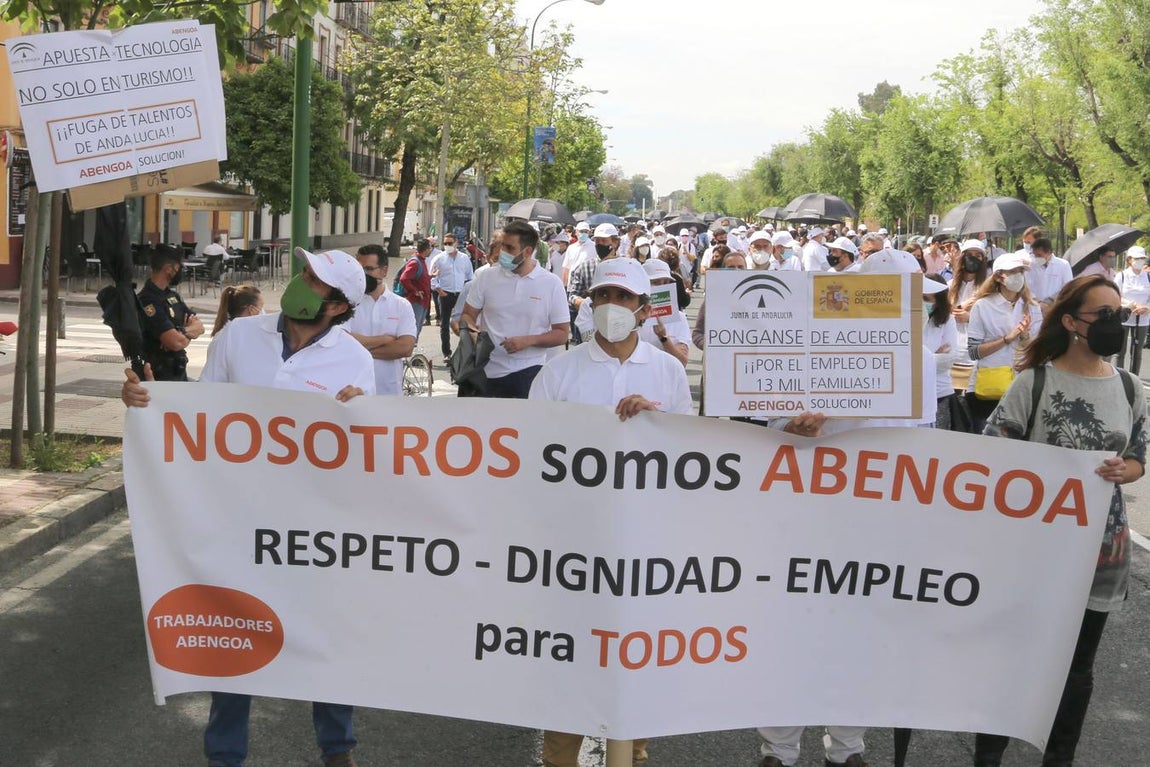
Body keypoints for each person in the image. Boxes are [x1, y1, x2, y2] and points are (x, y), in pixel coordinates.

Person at [122, 247, 373, 767]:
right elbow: (203, 415)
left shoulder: (355, 360)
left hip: (313, 529)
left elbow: (364, 456)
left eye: (317, 281)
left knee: (324, 636)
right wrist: (149, 404)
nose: (302, 283)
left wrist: (359, 416)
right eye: (305, 272)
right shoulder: (239, 337)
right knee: (236, 635)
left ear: (339, 306)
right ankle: (225, 754)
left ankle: (337, 747)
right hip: (239, 519)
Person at [974, 274, 1146, 767]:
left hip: (1100, 554)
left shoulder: (1131, 387)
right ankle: (989, 754)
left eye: (1121, 313)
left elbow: (1137, 458)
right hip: (1032, 553)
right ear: (1071, 322)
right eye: (1104, 315)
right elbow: (992, 450)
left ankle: (1059, 757)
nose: (1116, 323)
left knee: (1077, 669)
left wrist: (1124, 469)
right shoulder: (1036, 382)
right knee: (1013, 658)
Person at [530, 259, 691, 767]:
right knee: (570, 662)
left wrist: (656, 424)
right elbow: (531, 454)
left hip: (644, 550)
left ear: (643, 310)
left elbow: (690, 458)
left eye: (623, 299)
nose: (611, 308)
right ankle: (560, 756)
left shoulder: (667, 371)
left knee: (632, 664)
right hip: (574, 547)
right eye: (602, 297)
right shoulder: (559, 372)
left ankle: (632, 753)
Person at [459, 220, 570, 398]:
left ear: (527, 252)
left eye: (510, 248)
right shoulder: (486, 277)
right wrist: (472, 332)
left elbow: (562, 333)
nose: (503, 252)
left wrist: (527, 341)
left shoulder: (551, 284)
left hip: (528, 372)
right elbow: (467, 315)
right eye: (503, 246)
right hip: (485, 370)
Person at [965, 252, 1042, 433]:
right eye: (1013, 271)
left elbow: (1039, 350)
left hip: (1021, 387)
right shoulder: (983, 306)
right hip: (989, 387)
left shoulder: (1032, 307)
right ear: (999, 276)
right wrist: (1007, 339)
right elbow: (974, 351)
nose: (1019, 276)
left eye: (1021, 271)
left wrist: (1024, 338)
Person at [349, 244, 418, 396]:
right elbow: (343, 341)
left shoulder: (401, 305)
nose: (363, 274)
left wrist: (358, 349)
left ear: (384, 270)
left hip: (389, 392)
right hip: (353, 393)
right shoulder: (347, 305)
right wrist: (386, 339)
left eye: (368, 269)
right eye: (359, 269)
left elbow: (405, 348)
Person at [138, 244, 205, 381]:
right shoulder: (147, 301)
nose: (180, 270)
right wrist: (186, 333)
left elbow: (200, 327)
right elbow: (174, 342)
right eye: (178, 267)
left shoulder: (173, 296)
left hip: (178, 372)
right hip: (157, 375)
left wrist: (181, 332)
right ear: (168, 269)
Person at [948, 239, 991, 392]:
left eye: (978, 255)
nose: (973, 258)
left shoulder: (988, 290)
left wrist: (970, 318)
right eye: (969, 254)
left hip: (974, 358)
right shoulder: (949, 285)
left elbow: (994, 321)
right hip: (951, 355)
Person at [429, 233, 475, 362]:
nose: (447, 246)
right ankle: (446, 353)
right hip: (445, 294)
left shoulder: (464, 258)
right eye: (445, 244)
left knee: (465, 323)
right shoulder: (439, 259)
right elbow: (432, 278)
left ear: (456, 243)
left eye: (450, 243)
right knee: (444, 324)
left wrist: (468, 292)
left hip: (460, 294)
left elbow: (470, 277)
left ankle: (465, 351)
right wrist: (439, 290)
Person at [923, 273, 960, 429]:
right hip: (911, 396)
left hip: (940, 393)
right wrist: (933, 356)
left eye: (927, 299)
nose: (923, 303)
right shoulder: (905, 320)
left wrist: (923, 358)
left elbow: (948, 360)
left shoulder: (947, 320)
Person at [1117, 245, 1150, 374]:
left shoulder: (1147, 276)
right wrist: (1129, 305)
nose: (1140, 261)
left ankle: (1134, 379)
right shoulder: (1122, 276)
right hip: (1124, 316)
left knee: (1137, 352)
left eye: (1142, 258)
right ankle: (1118, 377)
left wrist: (1146, 307)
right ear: (1129, 259)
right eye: (1137, 258)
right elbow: (1114, 295)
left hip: (1143, 318)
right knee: (1119, 351)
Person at [1025, 236, 1073, 313]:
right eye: (1035, 255)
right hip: (1035, 306)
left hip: (1055, 306)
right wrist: (1036, 301)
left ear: (1049, 252)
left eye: (1039, 255)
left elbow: (1068, 287)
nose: (1036, 258)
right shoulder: (1031, 265)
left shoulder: (1063, 265)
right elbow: (1026, 285)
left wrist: (1050, 301)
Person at [398, 239, 432, 330]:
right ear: (426, 249)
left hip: (423, 301)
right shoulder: (415, 262)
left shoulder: (422, 261)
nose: (431, 250)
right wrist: (415, 291)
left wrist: (431, 277)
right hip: (416, 302)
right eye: (430, 247)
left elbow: (421, 278)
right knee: (413, 328)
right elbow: (404, 278)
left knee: (418, 327)